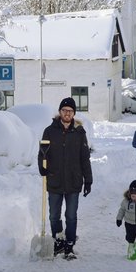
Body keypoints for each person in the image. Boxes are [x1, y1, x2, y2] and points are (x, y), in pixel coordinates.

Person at [38, 97, 93, 259]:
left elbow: (84, 158)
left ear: (74, 113)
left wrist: (88, 179)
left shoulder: (79, 132)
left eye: (70, 111)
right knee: (54, 215)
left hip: (74, 181)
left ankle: (69, 244)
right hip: (54, 179)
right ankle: (58, 240)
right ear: (60, 112)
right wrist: (42, 165)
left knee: (71, 215)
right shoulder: (49, 131)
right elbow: (42, 153)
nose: (67, 113)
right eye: (64, 110)